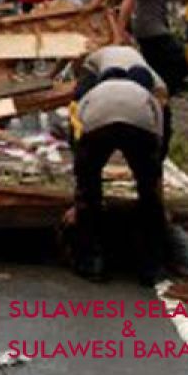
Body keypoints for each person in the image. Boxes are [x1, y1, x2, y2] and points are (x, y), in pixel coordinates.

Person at [72, 65, 167, 285]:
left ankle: (91, 261)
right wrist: (152, 180)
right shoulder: (145, 94)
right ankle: (151, 267)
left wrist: (83, 180)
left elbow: (78, 137)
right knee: (148, 195)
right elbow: (158, 142)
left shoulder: (92, 94)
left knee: (89, 191)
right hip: (140, 124)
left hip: (97, 124)